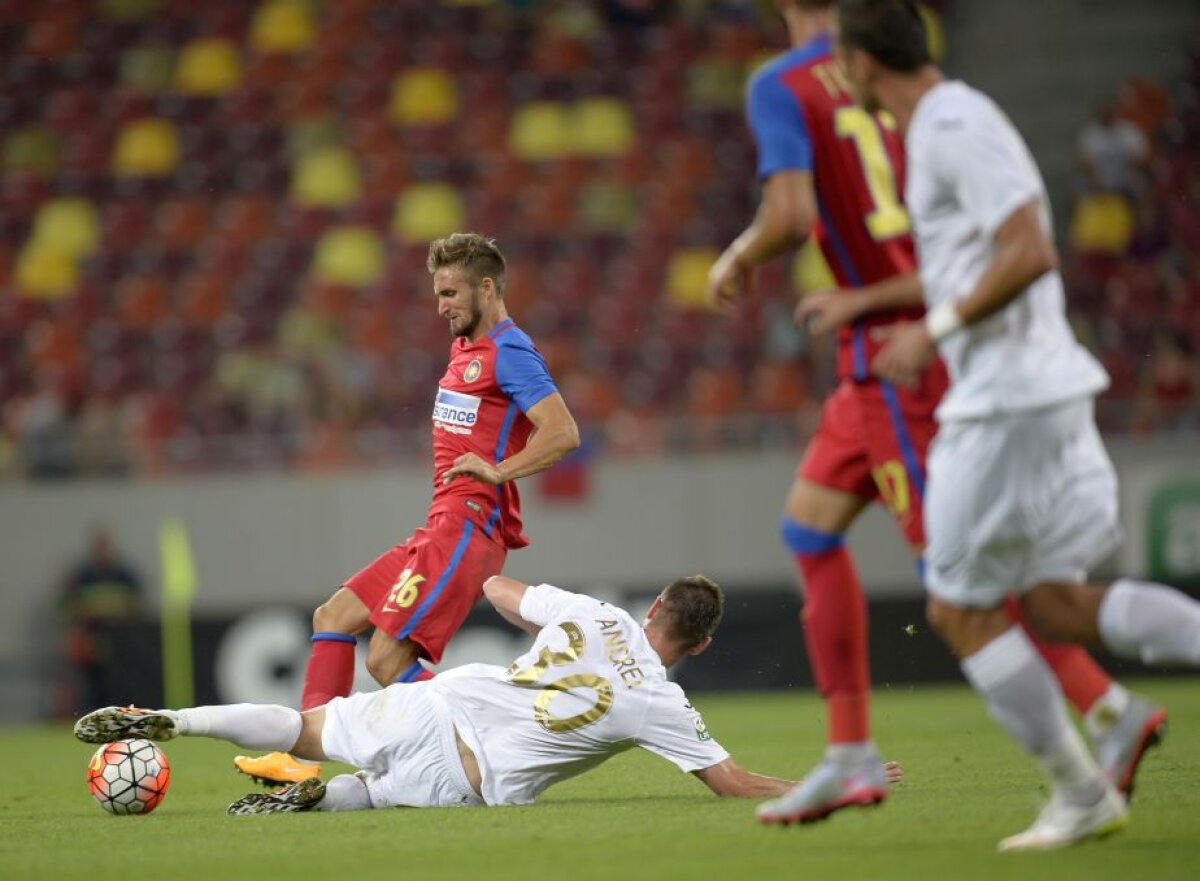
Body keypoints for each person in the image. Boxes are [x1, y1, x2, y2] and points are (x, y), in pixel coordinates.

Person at [706, 0, 1163, 826]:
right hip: (878, 354)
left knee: (962, 587)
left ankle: (1107, 710)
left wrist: (737, 257)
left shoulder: (785, 82)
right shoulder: (908, 88)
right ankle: (848, 752)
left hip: (900, 362)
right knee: (809, 527)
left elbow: (792, 216)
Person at [836, 0, 1200, 851]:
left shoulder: (949, 125)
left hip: (1006, 401)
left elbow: (1030, 248)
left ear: (859, 61)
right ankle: (1106, 735)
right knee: (1054, 602)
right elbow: (983, 256)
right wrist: (890, 305)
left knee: (959, 608)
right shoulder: (948, 122)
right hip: (1038, 393)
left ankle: (1082, 792)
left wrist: (935, 330)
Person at [74, 575, 903, 813]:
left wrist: (491, 585)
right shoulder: (664, 705)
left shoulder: (598, 611)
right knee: (375, 793)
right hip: (470, 776)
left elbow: (504, 591)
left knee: (301, 723)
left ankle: (173, 717)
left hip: (445, 697)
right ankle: (318, 805)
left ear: (653, 608)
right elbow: (729, 782)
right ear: (702, 642)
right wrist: (823, 784)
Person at [235, 233, 580, 786]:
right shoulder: (464, 349)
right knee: (334, 617)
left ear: (486, 288)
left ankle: (485, 745)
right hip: (441, 522)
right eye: (437, 293)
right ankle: (299, 763)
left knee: (385, 660)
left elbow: (563, 431)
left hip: (468, 527)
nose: (440, 305)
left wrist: (499, 470)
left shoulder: (509, 351)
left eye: (450, 292)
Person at [59, 526, 144, 714]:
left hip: (120, 639)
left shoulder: (124, 574)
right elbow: (69, 604)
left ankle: (120, 716)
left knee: (118, 682)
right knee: (91, 683)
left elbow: (137, 604)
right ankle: (89, 715)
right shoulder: (84, 575)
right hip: (91, 639)